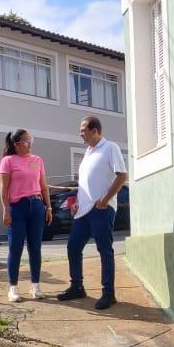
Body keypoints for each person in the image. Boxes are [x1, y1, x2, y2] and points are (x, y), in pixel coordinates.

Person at [57, 116, 128, 310]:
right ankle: (77, 286)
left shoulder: (110, 148)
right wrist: (77, 202)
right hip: (84, 211)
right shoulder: (88, 152)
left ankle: (109, 293)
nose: (80, 134)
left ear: (95, 130)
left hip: (101, 210)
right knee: (73, 247)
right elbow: (85, 183)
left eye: (83, 130)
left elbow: (122, 176)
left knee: (104, 250)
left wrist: (105, 200)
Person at [0, 128, 52, 302]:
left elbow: (44, 186)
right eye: (26, 141)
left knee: (35, 248)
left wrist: (48, 207)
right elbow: (3, 188)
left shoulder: (38, 160)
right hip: (17, 208)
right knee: (15, 248)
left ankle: (35, 286)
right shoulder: (8, 161)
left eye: (31, 140)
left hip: (37, 206)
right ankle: (13, 288)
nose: (30, 144)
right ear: (16, 144)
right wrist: (6, 209)